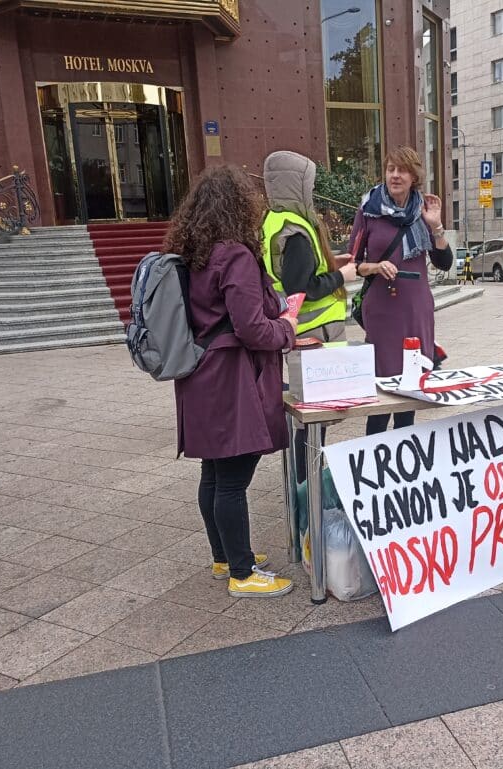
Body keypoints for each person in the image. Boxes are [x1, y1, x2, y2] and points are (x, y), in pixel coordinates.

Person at [170, 165, 297, 599]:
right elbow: (253, 329)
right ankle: (243, 574)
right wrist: (288, 329)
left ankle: (224, 556)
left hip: (201, 374)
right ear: (240, 208)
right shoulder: (236, 255)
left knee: (214, 473)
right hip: (231, 379)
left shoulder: (195, 254)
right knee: (232, 480)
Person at [261, 151, 358, 483]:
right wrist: (342, 276)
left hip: (300, 336)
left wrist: (333, 263)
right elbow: (301, 287)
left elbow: (290, 276)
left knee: (304, 421)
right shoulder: (298, 233)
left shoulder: (274, 221)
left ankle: (303, 482)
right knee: (314, 422)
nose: (313, 191)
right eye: (309, 184)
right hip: (316, 340)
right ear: (297, 185)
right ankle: (308, 488)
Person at [348, 146, 453, 435]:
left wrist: (437, 226)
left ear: (414, 176)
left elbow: (444, 263)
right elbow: (352, 263)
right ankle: (376, 457)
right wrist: (375, 266)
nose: (395, 175)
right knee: (383, 390)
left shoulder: (423, 211)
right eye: (391, 168)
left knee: (410, 390)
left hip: (416, 310)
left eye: (402, 170)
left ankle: (403, 457)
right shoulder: (368, 209)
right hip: (382, 311)